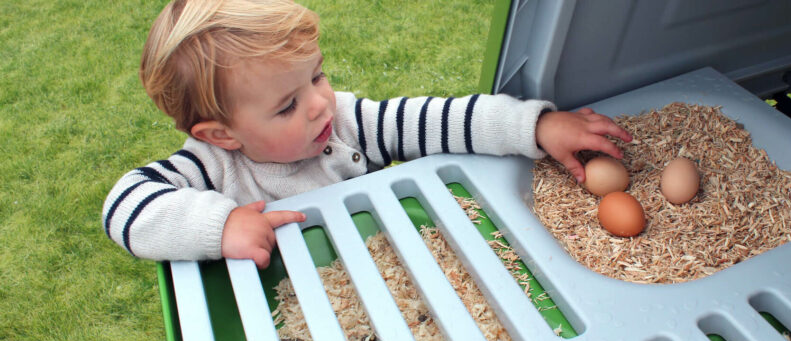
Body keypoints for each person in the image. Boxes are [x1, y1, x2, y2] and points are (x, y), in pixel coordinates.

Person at [102, 0, 631, 268]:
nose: (319, 104)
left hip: (394, 276)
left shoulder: (349, 125)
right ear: (223, 134)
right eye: (288, 105)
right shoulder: (212, 169)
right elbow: (123, 207)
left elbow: (443, 119)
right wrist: (220, 226)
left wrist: (534, 125)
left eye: (317, 75)